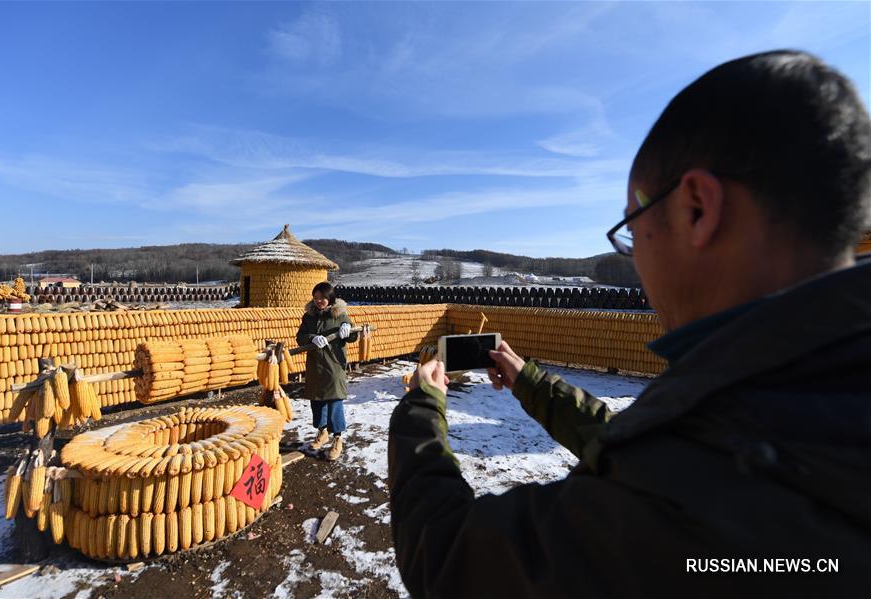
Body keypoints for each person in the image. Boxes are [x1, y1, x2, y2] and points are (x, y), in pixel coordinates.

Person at [388, 50, 871, 597]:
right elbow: (642, 447)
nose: (636, 260)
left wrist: (423, 404)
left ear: (696, 208)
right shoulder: (799, 392)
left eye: (632, 231)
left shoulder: (693, 490)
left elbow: (451, 557)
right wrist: (533, 382)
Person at [297, 281, 358, 461]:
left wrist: (349, 330)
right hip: (315, 366)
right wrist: (312, 337)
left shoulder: (340, 315)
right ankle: (322, 432)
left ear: (330, 298)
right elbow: (300, 337)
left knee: (334, 401)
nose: (319, 301)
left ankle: (337, 438)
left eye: (323, 298)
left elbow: (353, 336)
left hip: (334, 365)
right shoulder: (308, 317)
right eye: (316, 298)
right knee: (317, 401)